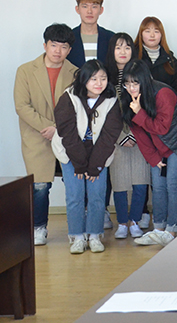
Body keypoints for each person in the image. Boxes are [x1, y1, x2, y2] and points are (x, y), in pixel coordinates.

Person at [121, 60, 177, 246]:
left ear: (145, 80)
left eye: (135, 83)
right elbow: (141, 135)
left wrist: (140, 112)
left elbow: (162, 128)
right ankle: (158, 229)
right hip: (159, 148)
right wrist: (154, 158)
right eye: (127, 84)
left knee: (173, 184)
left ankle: (171, 230)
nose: (131, 88)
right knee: (158, 185)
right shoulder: (129, 101)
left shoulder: (163, 93)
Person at [14, 24, 78, 246]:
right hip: (37, 136)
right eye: (54, 45)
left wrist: (58, 129)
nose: (58, 51)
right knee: (40, 186)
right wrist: (49, 127)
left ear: (69, 50)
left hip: (67, 137)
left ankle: (77, 229)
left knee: (74, 184)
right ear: (45, 45)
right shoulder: (25, 70)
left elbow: (79, 108)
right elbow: (22, 106)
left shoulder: (76, 73)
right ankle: (38, 228)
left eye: (64, 46)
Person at [51, 60, 122, 254]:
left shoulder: (111, 100)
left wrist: (95, 166)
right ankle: (77, 236)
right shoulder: (69, 97)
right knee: (75, 196)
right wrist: (80, 165)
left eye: (103, 78)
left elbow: (110, 136)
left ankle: (95, 234)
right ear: (83, 79)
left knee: (97, 196)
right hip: (70, 154)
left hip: (99, 155)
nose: (99, 83)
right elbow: (68, 133)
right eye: (93, 79)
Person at [105, 33, 149, 239]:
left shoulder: (142, 75)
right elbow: (106, 115)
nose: (123, 52)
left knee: (141, 182)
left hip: (141, 138)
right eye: (118, 47)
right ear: (111, 51)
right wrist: (121, 136)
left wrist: (134, 134)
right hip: (116, 141)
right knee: (120, 184)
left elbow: (148, 109)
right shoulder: (105, 79)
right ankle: (122, 222)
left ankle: (135, 221)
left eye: (127, 47)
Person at [133, 16, 177, 99]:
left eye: (156, 31)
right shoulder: (133, 57)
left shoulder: (171, 61)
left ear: (161, 35)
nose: (152, 35)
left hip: (165, 105)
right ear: (141, 34)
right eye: (147, 31)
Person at [67, 0, 115, 66]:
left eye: (94, 7)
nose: (89, 11)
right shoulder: (68, 38)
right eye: (85, 6)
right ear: (77, 9)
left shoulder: (111, 38)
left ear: (101, 10)